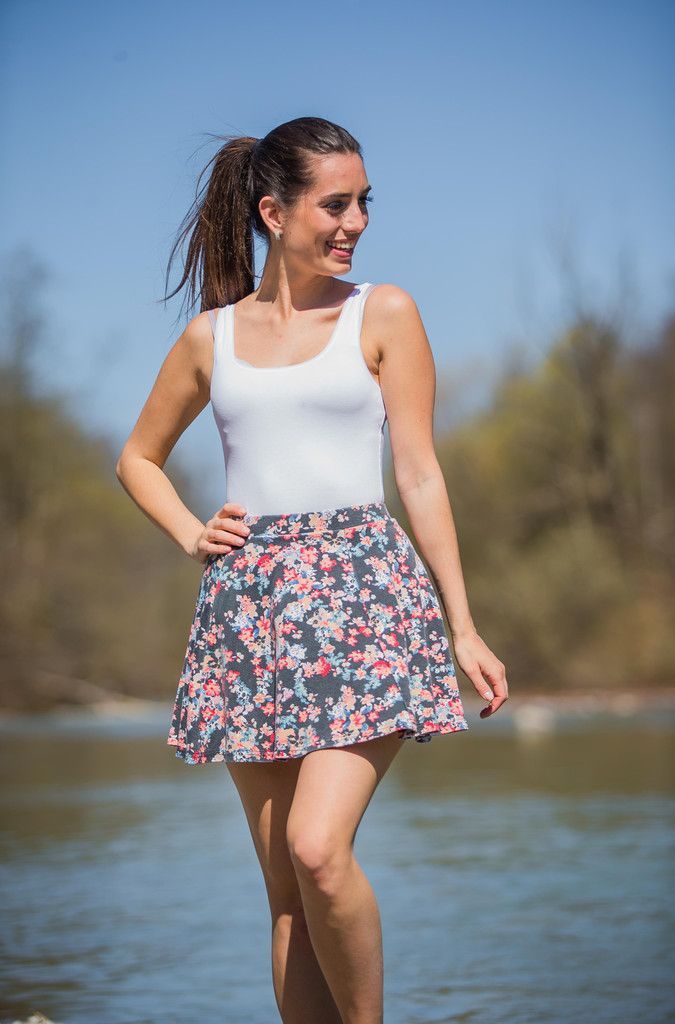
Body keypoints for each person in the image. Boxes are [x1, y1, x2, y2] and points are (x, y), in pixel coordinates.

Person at [115, 115, 508, 1024]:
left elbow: (418, 473)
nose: (355, 222)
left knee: (318, 849)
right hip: (247, 615)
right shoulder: (210, 338)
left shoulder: (384, 312)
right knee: (287, 892)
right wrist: (191, 533)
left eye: (364, 202)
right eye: (335, 204)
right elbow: (137, 457)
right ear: (273, 212)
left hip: (364, 601)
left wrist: (462, 625)